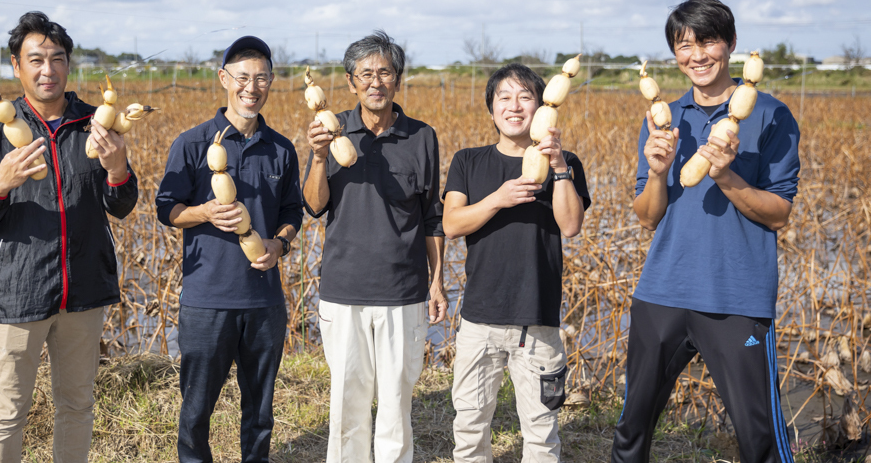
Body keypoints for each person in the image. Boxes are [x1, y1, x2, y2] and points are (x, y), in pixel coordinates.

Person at [611, 0, 800, 463]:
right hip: (662, 290)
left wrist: (726, 175)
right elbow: (647, 217)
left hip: (736, 298)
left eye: (708, 42)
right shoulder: (664, 118)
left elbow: (778, 213)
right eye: (684, 45)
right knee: (632, 426)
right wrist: (658, 173)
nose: (697, 56)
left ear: (730, 44)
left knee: (759, 438)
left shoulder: (771, 115)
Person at [0, 11, 138, 463]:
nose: (47, 69)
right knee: (6, 413)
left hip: (84, 290)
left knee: (77, 405)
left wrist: (118, 170)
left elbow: (122, 205)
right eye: (35, 60)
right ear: (17, 66)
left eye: (56, 59)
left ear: (69, 64)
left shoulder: (97, 124)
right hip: (19, 293)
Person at [155, 36, 303, 463]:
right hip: (207, 300)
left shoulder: (281, 149)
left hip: (264, 301)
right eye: (242, 77)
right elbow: (167, 209)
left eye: (261, 78)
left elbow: (292, 212)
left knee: (260, 413)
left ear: (271, 82)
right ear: (224, 78)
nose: (251, 88)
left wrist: (279, 243)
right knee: (196, 411)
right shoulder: (192, 144)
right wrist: (203, 212)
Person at [302, 30, 446, 463]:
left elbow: (432, 216)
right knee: (347, 402)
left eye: (384, 72)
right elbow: (313, 206)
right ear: (351, 82)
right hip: (343, 289)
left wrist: (437, 282)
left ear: (397, 80)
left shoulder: (422, 137)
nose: (375, 82)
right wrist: (320, 157)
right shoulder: (330, 130)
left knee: (396, 404)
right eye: (365, 74)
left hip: (403, 291)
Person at [442, 63, 590, 463]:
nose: (514, 106)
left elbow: (571, 226)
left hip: (537, 320)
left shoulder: (566, 162)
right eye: (504, 97)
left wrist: (559, 169)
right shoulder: (468, 161)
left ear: (541, 107)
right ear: (491, 109)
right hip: (480, 320)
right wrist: (498, 199)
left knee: (541, 432)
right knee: (470, 427)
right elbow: (451, 224)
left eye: (525, 97)